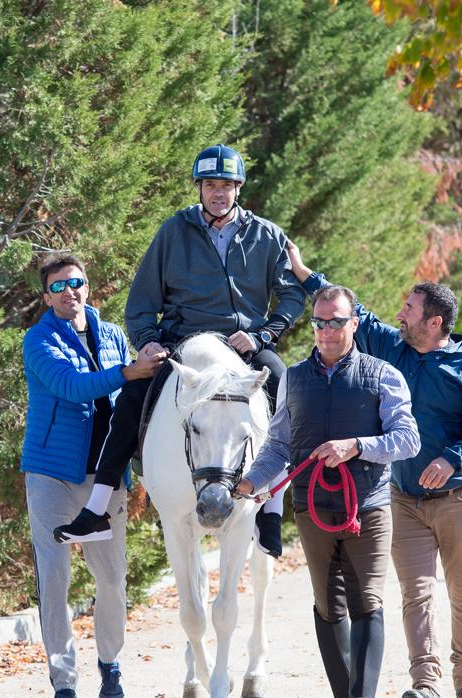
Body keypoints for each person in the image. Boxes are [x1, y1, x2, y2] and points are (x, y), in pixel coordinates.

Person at [54, 144, 307, 555]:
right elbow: (140, 305)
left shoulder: (267, 235)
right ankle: (97, 507)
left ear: (238, 188)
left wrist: (263, 336)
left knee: (283, 383)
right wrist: (148, 342)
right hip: (181, 345)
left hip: (242, 346)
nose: (218, 193)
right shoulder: (173, 231)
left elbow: (292, 295)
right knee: (133, 397)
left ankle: (272, 507)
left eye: (226, 185)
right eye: (211, 185)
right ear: (199, 187)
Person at [285, 242, 462, 698]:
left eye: (409, 309)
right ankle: (425, 684)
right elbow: (351, 313)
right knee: (416, 594)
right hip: (403, 499)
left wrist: (453, 459)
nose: (400, 315)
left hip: (459, 501)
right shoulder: (394, 348)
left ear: (434, 322)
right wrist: (306, 273)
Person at [235, 284, 420, 698]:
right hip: (311, 509)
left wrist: (356, 446)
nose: (327, 330)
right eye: (320, 322)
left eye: (337, 321)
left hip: (367, 510)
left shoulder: (383, 375)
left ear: (354, 323)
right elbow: (280, 445)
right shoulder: (295, 379)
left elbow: (408, 440)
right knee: (327, 606)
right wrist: (250, 481)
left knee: (367, 601)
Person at [21, 254, 166, 698]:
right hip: (52, 476)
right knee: (55, 580)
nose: (70, 291)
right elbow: (70, 387)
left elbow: (135, 394)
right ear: (46, 296)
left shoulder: (112, 335)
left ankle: (111, 666)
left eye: (76, 282)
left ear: (88, 286)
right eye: (59, 286)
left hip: (104, 480)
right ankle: (64, 682)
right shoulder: (38, 340)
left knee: (111, 578)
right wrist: (127, 371)